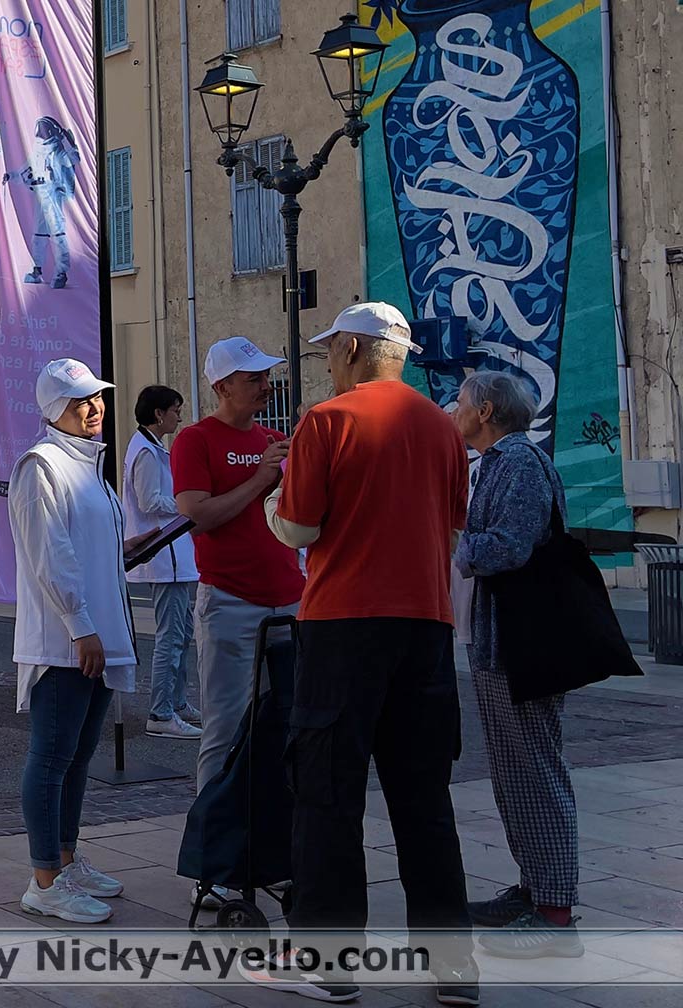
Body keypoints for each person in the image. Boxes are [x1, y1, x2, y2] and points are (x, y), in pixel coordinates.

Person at [258, 302, 476, 1004]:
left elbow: (298, 526)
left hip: (343, 623)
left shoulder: (325, 420)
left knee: (327, 794)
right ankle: (452, 972)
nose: (326, 360)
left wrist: (270, 504)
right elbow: (450, 523)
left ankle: (329, 964)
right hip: (425, 627)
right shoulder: (443, 428)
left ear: (353, 348)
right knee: (423, 800)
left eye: (330, 349)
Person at [452, 371, 585, 960]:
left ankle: (555, 911)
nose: (454, 411)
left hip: (524, 645)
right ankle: (533, 887)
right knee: (513, 774)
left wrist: (456, 545)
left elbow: (510, 544)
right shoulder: (498, 463)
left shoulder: (520, 463)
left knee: (534, 772)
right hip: (500, 642)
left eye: (460, 403)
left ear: (485, 411)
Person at [9, 359, 146, 924]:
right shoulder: (41, 466)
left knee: (77, 758)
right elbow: (52, 556)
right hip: (67, 641)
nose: (93, 408)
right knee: (51, 758)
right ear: (51, 411)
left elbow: (88, 549)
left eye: (95, 397)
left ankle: (65, 859)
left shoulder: (91, 469)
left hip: (96, 637)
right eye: (78, 402)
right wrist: (80, 624)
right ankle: (44, 878)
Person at [171, 337, 302, 795]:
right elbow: (196, 517)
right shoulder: (195, 440)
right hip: (230, 602)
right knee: (226, 729)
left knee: (289, 723)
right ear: (223, 386)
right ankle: (215, 846)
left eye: (267, 377)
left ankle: (272, 841)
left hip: (289, 601)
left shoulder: (273, 440)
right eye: (254, 379)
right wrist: (262, 477)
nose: (266, 386)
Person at [125, 385, 203, 739]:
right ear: (159, 414)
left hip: (176, 551)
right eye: (175, 409)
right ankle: (161, 712)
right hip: (163, 552)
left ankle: (177, 701)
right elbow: (148, 501)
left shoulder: (152, 447)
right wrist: (187, 502)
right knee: (170, 637)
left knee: (182, 634)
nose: (179, 415)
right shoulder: (143, 451)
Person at [2, 116, 81, 288]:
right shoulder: (37, 152)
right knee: (38, 235)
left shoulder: (58, 151)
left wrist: (68, 142)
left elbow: (73, 160)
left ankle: (61, 272)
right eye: (40, 130)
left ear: (52, 132)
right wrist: (11, 176)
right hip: (41, 196)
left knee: (58, 234)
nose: (41, 134)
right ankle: (37, 270)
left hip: (53, 196)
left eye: (44, 130)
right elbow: (25, 171)